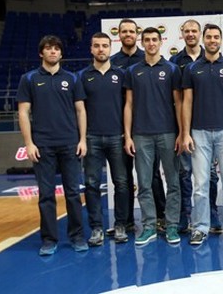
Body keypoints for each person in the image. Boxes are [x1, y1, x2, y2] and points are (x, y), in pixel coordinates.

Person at [16, 35, 88, 255]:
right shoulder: (29, 79)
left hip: (69, 144)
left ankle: (76, 237)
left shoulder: (73, 79)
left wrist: (82, 139)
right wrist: (29, 143)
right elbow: (23, 112)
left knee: (73, 193)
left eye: (57, 48)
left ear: (61, 53)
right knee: (46, 195)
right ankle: (49, 239)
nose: (53, 52)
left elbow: (80, 110)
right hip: (43, 145)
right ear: (41, 53)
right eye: (48, 49)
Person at [181, 23, 223, 246]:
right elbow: (186, 102)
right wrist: (186, 133)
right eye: (208, 37)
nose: (212, 40)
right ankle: (199, 228)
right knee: (200, 185)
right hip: (198, 132)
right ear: (203, 39)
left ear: (221, 39)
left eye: (216, 37)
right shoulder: (191, 69)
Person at [123, 27, 182, 246]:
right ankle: (149, 226)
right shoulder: (133, 71)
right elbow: (128, 105)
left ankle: (172, 225)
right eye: (146, 40)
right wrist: (127, 135)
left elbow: (179, 104)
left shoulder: (172, 69)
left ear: (160, 42)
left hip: (168, 133)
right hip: (141, 135)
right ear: (142, 42)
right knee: (145, 184)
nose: (150, 43)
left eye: (154, 40)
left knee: (173, 182)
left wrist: (181, 132)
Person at [110, 18, 166, 236]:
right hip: (121, 128)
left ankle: (160, 217)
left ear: (137, 35)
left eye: (131, 31)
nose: (128, 34)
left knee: (151, 176)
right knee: (123, 178)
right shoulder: (113, 62)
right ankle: (125, 222)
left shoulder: (149, 59)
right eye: (124, 31)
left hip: (147, 127)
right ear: (119, 34)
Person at [78, 32, 130, 246]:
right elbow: (79, 110)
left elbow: (129, 106)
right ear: (91, 49)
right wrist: (81, 138)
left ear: (110, 48)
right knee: (91, 184)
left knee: (122, 183)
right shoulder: (82, 76)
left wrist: (127, 135)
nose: (101, 49)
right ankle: (97, 228)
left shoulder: (121, 74)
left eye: (105, 46)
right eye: (97, 45)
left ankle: (120, 225)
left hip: (117, 137)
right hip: (91, 138)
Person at [169, 19, 220, 233]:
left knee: (210, 175)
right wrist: (182, 131)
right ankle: (185, 214)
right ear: (182, 34)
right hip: (184, 129)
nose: (190, 34)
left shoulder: (209, 57)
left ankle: (211, 212)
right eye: (187, 31)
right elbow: (177, 99)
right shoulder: (174, 61)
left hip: (208, 127)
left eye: (194, 31)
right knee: (185, 173)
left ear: (200, 34)